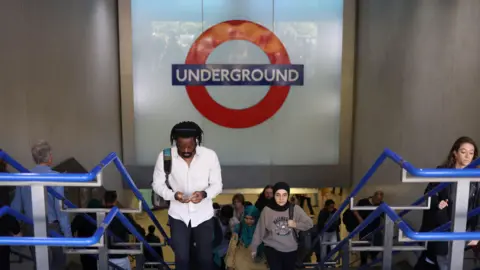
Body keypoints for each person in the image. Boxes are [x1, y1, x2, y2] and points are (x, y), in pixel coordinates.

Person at [152, 121, 223, 270]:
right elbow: (157, 184)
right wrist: (173, 195)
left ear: (197, 141)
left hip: (204, 215)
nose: (185, 150)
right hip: (178, 216)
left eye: (189, 146)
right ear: (175, 142)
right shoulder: (165, 156)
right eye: (180, 146)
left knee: (205, 258)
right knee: (182, 258)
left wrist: (204, 194)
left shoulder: (210, 156)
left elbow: (217, 185)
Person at [415, 136, 479, 270]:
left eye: (471, 153)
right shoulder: (442, 172)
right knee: (437, 261)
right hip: (442, 227)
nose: (467, 156)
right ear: (455, 153)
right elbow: (429, 195)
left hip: (464, 229)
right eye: (463, 151)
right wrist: (437, 204)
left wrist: (477, 232)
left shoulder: (476, 177)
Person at [11, 140, 71, 270]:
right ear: (49, 157)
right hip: (52, 227)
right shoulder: (57, 177)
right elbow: (60, 210)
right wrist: (68, 236)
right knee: (59, 262)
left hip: (31, 226)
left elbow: (15, 206)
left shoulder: (24, 176)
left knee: (39, 263)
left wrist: (16, 230)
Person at [251, 182, 314, 270]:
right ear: (274, 195)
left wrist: (296, 224)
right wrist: (254, 247)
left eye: (284, 195)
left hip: (291, 250)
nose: (281, 198)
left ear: (288, 195)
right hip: (272, 248)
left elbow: (309, 223)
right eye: (278, 195)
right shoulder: (267, 210)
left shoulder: (295, 209)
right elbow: (259, 230)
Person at [104, 190, 146, 270]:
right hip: (120, 257)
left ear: (104, 200)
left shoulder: (97, 214)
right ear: (116, 200)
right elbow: (137, 231)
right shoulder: (122, 215)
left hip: (102, 256)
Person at [225, 205, 267, 270]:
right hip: (241, 261)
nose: (248, 221)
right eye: (246, 218)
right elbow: (232, 247)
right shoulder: (239, 227)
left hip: (258, 261)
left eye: (251, 219)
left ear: (257, 218)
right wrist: (230, 264)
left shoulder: (262, 229)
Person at [353, 190, 384, 265]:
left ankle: (372, 256)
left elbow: (384, 214)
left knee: (378, 243)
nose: (378, 202)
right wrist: (359, 218)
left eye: (380, 200)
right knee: (363, 247)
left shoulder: (381, 204)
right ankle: (363, 263)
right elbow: (354, 209)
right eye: (377, 200)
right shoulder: (363, 202)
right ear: (373, 197)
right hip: (364, 228)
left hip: (375, 228)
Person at [71, 199, 103, 270]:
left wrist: (74, 244)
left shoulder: (81, 216)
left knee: (86, 266)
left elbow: (71, 229)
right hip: (98, 249)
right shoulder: (101, 217)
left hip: (84, 249)